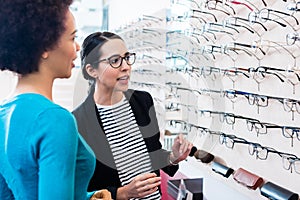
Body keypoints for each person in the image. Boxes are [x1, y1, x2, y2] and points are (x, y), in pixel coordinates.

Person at [0, 1, 111, 200]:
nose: (77, 47)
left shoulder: (4, 113)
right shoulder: (54, 119)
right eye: (72, 38)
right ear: (45, 45)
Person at [73, 31, 193, 200]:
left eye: (127, 58)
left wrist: (173, 157)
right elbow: (80, 191)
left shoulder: (143, 101)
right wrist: (124, 193)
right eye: (115, 61)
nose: (126, 67)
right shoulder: (78, 122)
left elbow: (153, 155)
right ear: (92, 70)